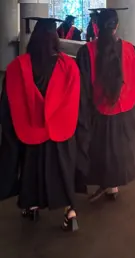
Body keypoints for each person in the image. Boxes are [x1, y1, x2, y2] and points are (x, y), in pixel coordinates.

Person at [0, 17, 83, 231]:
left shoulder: (17, 67)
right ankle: (70, 212)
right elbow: (77, 100)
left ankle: (32, 205)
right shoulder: (69, 66)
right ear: (55, 38)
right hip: (61, 130)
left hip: (30, 129)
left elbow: (8, 103)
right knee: (63, 169)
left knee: (32, 169)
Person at [75, 8, 135, 202]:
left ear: (96, 26)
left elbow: (82, 89)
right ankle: (113, 186)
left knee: (101, 151)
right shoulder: (131, 50)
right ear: (117, 26)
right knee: (118, 151)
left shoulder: (86, 51)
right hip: (126, 112)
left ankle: (106, 184)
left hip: (98, 113)